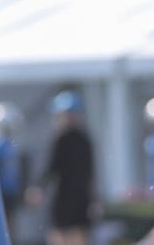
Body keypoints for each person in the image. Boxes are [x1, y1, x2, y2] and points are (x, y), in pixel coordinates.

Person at [28, 91, 96, 245]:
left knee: (79, 231)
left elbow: (90, 171)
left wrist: (93, 196)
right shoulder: (58, 138)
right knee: (58, 231)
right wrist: (38, 187)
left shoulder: (83, 140)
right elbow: (48, 166)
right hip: (60, 194)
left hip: (80, 195)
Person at [0, 102, 26, 236]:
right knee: (7, 224)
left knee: (6, 224)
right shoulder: (4, 146)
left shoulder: (1, 146)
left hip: (5, 192)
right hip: (5, 192)